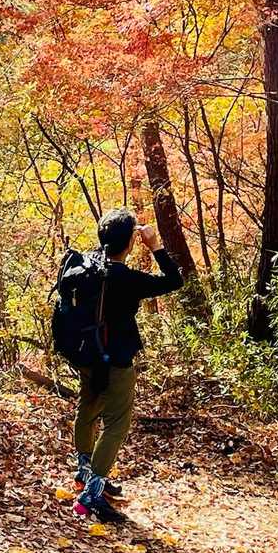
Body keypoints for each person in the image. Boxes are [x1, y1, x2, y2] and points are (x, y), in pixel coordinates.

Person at [72, 208, 183, 524]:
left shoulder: (86, 269)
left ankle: (85, 473)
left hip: (87, 355)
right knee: (116, 425)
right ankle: (91, 494)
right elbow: (174, 280)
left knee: (87, 411)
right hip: (117, 360)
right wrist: (156, 246)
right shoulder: (127, 278)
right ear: (130, 242)